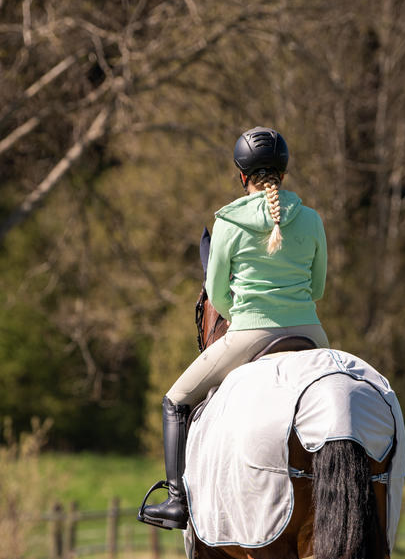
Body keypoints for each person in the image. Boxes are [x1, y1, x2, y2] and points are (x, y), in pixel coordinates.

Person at [139, 126, 329, 530]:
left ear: (243, 176)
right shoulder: (311, 220)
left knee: (175, 399)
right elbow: (318, 287)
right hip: (312, 337)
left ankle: (176, 502)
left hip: (249, 334)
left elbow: (217, 295)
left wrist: (242, 311)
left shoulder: (227, 221)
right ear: (284, 173)